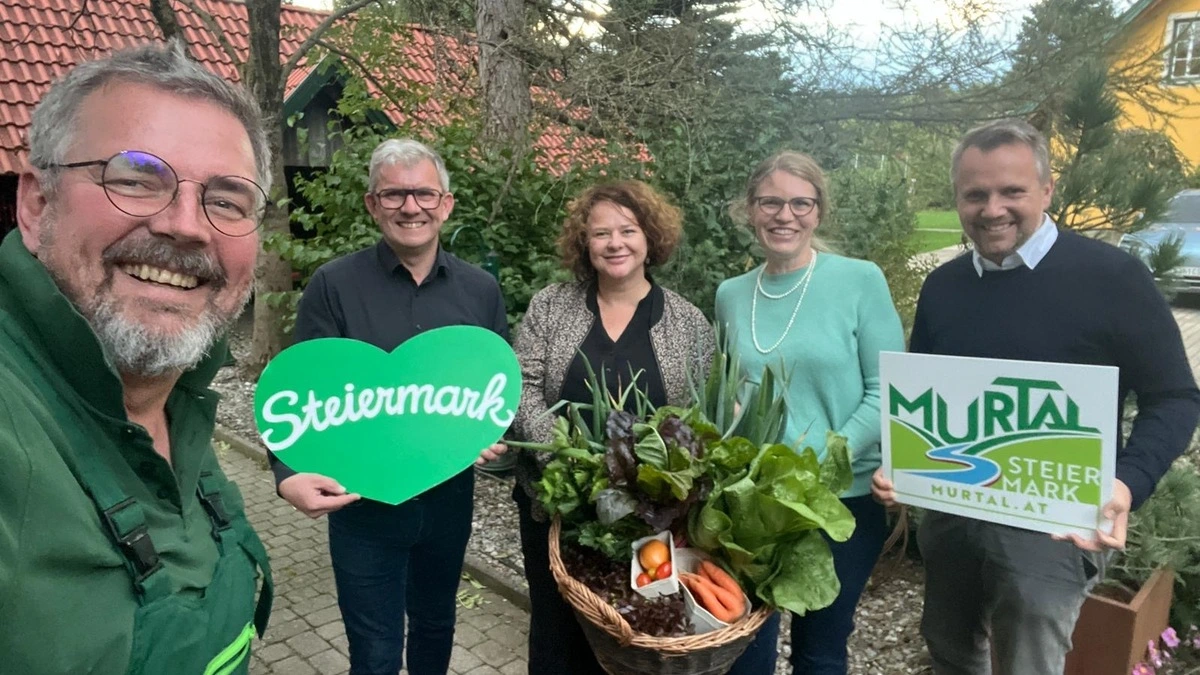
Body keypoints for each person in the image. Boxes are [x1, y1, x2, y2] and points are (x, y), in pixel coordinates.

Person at [871, 119, 1200, 675]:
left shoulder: (1114, 278)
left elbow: (1174, 397)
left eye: (1011, 191)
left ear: (1047, 190)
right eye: (975, 194)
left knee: (1028, 662)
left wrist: (1126, 482)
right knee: (948, 645)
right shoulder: (943, 287)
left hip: (1053, 522)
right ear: (957, 198)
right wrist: (901, 466)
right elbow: (926, 397)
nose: (992, 208)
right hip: (954, 511)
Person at [0, 43, 273, 674]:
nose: (186, 225)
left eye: (228, 200)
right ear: (38, 206)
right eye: (136, 178)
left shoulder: (178, 394)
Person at [271, 138, 509, 675]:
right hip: (362, 506)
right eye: (395, 194)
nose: (411, 207)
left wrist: (490, 430)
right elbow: (298, 393)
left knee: (435, 629)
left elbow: (495, 387)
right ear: (371, 204)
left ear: (446, 204)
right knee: (374, 652)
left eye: (424, 193)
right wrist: (287, 473)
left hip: (449, 500)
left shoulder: (481, 290)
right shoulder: (333, 285)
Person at [511, 180, 715, 674]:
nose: (614, 243)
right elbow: (524, 385)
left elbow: (696, 420)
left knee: (639, 630)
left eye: (628, 230)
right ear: (585, 243)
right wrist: (564, 462)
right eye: (601, 233)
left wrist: (649, 485)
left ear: (650, 238)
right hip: (555, 503)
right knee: (557, 630)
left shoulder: (688, 323)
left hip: (647, 517)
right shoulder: (551, 305)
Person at [715, 151, 905, 674]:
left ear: (819, 212)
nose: (785, 215)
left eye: (801, 203)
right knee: (744, 644)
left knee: (819, 651)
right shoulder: (731, 295)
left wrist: (815, 467)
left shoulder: (860, 280)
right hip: (756, 504)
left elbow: (886, 388)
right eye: (770, 202)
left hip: (838, 500)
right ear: (749, 210)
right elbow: (733, 394)